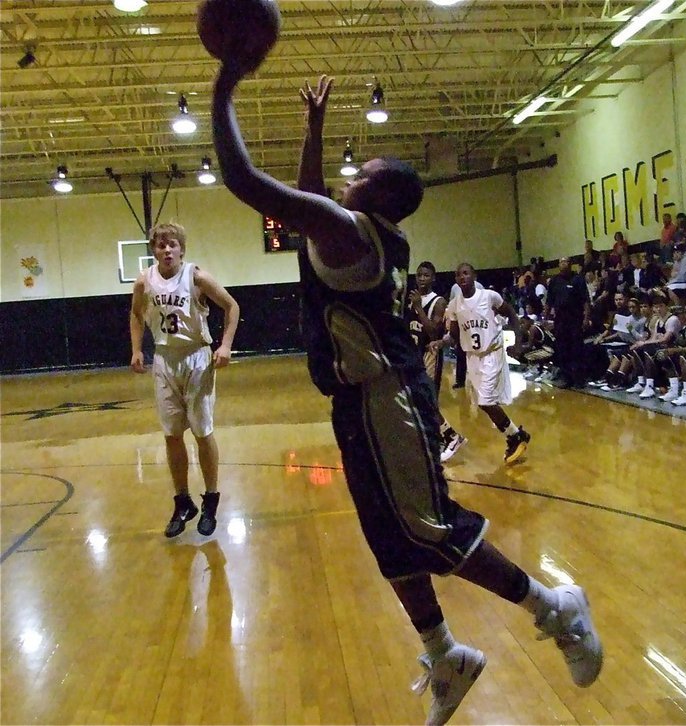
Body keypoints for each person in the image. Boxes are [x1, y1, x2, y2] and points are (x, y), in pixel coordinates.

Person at [211, 69, 602, 725]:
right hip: (355, 402)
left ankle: (554, 607)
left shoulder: (352, 233)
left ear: (375, 193)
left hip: (388, 396)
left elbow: (245, 181)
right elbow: (308, 199)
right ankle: (444, 652)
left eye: (359, 173)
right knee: (387, 540)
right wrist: (312, 128)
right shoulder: (355, 234)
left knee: (430, 528)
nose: (347, 178)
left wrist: (225, 82)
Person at [130, 222, 240, 538]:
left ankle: (211, 500)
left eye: (172, 244)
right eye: (160, 245)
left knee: (203, 432)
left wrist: (226, 345)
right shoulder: (143, 282)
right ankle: (182, 501)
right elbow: (136, 315)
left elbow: (232, 306)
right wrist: (137, 349)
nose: (167, 250)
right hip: (164, 357)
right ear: (153, 250)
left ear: (181, 248)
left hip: (197, 357)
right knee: (171, 434)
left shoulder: (196, 276)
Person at [434, 262, 531, 464]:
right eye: (458, 274)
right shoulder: (454, 305)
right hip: (473, 358)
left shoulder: (488, 296)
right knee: (486, 404)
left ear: (474, 276)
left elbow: (512, 313)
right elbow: (453, 335)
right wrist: (441, 342)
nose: (462, 277)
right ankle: (515, 434)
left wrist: (518, 342)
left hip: (492, 354)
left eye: (466, 273)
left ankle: (515, 436)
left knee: (485, 401)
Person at [407, 261, 467, 462]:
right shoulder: (412, 298)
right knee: (416, 400)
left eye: (426, 275)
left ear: (433, 278)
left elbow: (433, 331)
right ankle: (434, 438)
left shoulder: (438, 301)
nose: (421, 278)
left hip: (430, 355)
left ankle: (451, 436)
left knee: (427, 400)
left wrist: (418, 307)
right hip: (413, 355)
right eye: (419, 275)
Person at [545, 257, 591, 388]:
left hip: (575, 319)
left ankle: (579, 379)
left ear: (571, 264)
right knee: (562, 349)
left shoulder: (578, 279)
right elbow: (549, 302)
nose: (563, 263)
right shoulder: (554, 281)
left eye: (566, 261)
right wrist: (545, 319)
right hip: (560, 320)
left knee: (576, 349)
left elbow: (586, 301)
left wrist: (586, 318)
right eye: (561, 262)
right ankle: (566, 377)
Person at [449, 276, 483, 389]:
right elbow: (451, 305)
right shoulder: (455, 288)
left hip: (475, 324)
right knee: (461, 352)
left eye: (466, 273)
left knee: (477, 353)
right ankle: (460, 380)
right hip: (461, 324)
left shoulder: (479, 286)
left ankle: (479, 379)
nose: (463, 277)